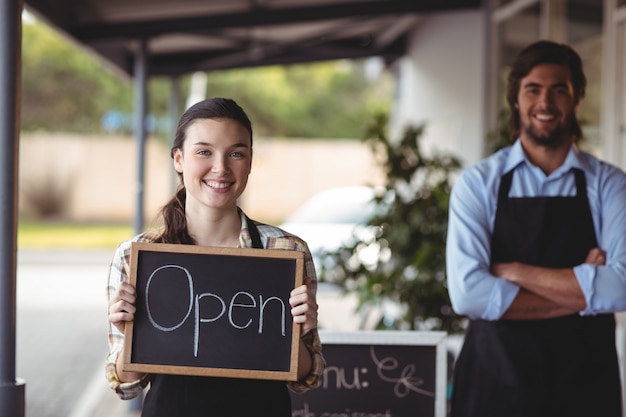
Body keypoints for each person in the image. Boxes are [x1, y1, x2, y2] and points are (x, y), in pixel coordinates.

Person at [106, 97, 325, 416]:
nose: (221, 167)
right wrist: (132, 334)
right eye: (204, 151)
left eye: (236, 153)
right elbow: (127, 385)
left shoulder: (288, 251)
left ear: (249, 163)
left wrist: (301, 332)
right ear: (178, 158)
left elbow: (306, 376)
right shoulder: (137, 257)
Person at [446, 40, 626, 417]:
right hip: (495, 382)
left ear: (576, 101)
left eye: (560, 90)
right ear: (516, 99)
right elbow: (469, 296)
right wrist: (583, 291)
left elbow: (622, 287)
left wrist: (517, 273)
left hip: (584, 384)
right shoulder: (479, 183)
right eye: (534, 89)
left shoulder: (610, 185)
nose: (546, 102)